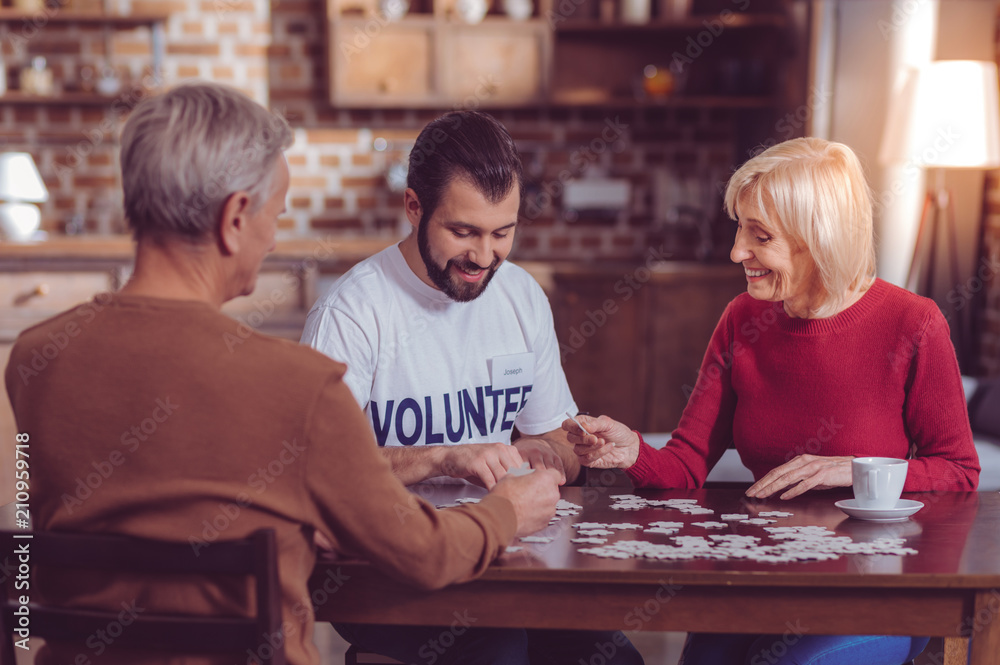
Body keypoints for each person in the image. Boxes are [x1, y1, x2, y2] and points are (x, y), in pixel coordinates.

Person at [5, 82, 563, 665]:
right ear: (235, 219)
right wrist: (508, 512)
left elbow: (28, 541)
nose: (273, 239)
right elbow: (423, 553)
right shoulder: (296, 385)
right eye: (276, 215)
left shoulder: (34, 359)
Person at [565, 137, 980, 665]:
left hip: (875, 589)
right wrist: (631, 452)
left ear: (819, 239)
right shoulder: (742, 319)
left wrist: (853, 470)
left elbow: (960, 471)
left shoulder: (913, 323)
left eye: (759, 236)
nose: (737, 251)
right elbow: (687, 463)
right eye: (740, 228)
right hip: (759, 581)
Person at [301, 110, 644, 665]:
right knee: (497, 650)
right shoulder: (353, 313)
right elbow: (316, 472)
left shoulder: (521, 296)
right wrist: (442, 458)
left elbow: (558, 443)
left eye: (501, 233)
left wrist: (550, 454)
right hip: (387, 569)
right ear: (414, 207)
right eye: (463, 232)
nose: (484, 257)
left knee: (614, 658)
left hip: (504, 555)